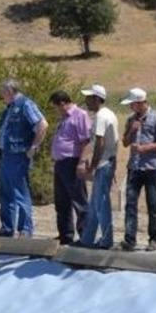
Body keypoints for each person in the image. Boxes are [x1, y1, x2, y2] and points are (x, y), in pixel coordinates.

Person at [0, 79, 48, 238]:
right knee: (6, 193)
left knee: (20, 192)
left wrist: (34, 147)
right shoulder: (9, 108)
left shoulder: (26, 104)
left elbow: (42, 124)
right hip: (6, 154)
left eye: (2, 92)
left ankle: (25, 229)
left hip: (18, 155)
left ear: (10, 91)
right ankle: (7, 227)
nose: (1, 95)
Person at [119, 88, 156, 252]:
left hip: (152, 168)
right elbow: (125, 143)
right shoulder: (130, 119)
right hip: (134, 167)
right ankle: (129, 239)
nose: (130, 108)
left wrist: (145, 148)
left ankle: (154, 239)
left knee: (152, 205)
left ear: (140, 103)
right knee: (130, 204)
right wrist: (131, 130)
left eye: (132, 104)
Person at [78, 85, 119, 250]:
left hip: (103, 164)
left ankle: (107, 240)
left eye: (89, 98)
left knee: (102, 203)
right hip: (107, 162)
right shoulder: (109, 113)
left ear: (96, 98)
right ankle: (87, 239)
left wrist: (92, 166)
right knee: (95, 203)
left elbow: (100, 143)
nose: (86, 101)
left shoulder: (101, 116)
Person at [49, 90, 91, 245]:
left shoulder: (79, 115)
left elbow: (85, 141)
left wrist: (81, 162)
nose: (55, 110)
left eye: (55, 107)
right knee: (62, 201)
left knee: (79, 200)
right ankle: (65, 234)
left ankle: (85, 235)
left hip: (72, 162)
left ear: (62, 103)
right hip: (60, 163)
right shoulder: (64, 118)